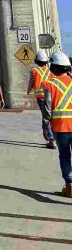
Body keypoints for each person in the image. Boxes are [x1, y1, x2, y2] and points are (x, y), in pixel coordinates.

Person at [41, 51, 72, 198]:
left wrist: (46, 124)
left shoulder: (49, 83)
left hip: (61, 127)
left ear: (54, 68)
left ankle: (69, 186)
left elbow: (47, 106)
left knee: (65, 156)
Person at [26, 50, 56, 149]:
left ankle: (51, 139)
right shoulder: (51, 70)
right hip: (51, 96)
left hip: (41, 97)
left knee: (46, 117)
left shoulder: (34, 70)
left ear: (36, 61)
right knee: (50, 116)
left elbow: (31, 82)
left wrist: (28, 90)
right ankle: (50, 137)